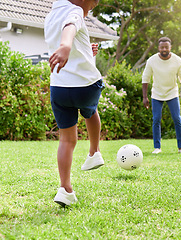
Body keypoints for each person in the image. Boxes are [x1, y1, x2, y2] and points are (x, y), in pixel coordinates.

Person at [44, 0, 104, 207]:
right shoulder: (75, 10)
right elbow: (70, 27)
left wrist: (86, 50)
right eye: (91, 6)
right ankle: (94, 152)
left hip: (59, 88)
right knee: (90, 111)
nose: (89, 11)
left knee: (66, 140)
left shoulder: (51, 15)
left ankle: (65, 188)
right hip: (85, 87)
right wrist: (65, 46)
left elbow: (71, 35)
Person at [142, 37, 181, 155]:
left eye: (166, 47)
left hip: (172, 92)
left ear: (170, 48)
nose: (164, 49)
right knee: (156, 119)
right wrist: (144, 97)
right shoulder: (152, 60)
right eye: (162, 47)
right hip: (157, 93)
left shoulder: (177, 60)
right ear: (158, 48)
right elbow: (145, 78)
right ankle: (157, 147)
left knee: (177, 119)